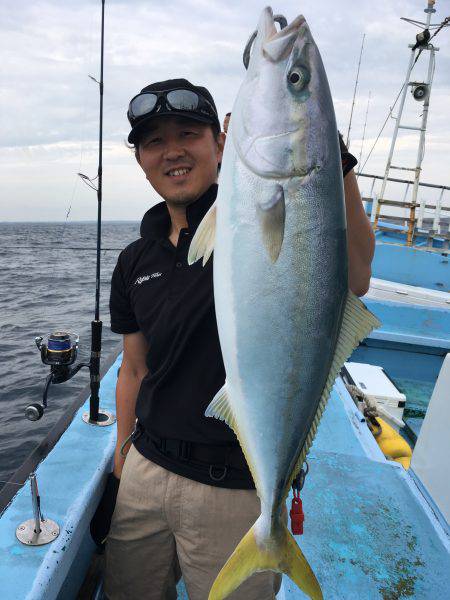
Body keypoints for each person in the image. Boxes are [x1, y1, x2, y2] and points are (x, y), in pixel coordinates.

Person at [99, 78, 374, 600]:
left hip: (236, 487)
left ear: (222, 141)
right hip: (146, 472)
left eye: (188, 134)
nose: (173, 151)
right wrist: (122, 450)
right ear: (140, 160)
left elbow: (355, 276)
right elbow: (134, 369)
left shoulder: (254, 219)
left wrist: (330, 155)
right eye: (154, 142)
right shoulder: (135, 259)